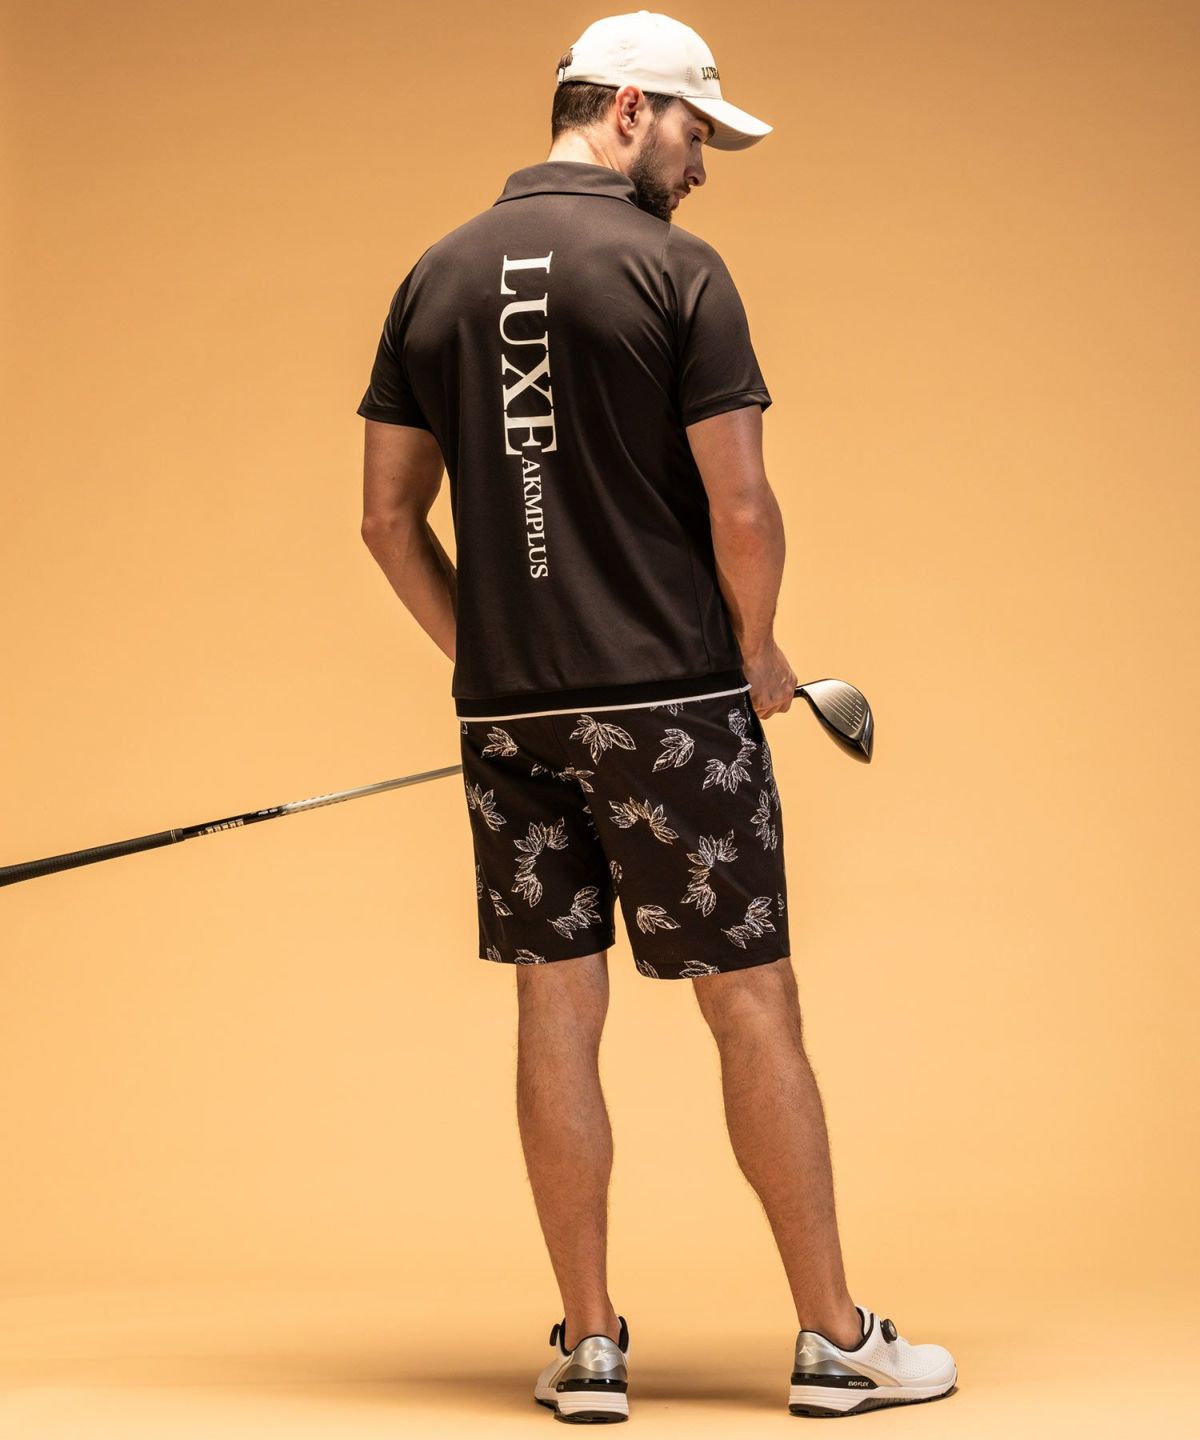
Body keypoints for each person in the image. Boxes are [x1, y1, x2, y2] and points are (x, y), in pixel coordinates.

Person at [356, 8, 957, 1423]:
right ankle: (836, 1343)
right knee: (753, 1006)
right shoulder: (676, 270)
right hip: (678, 705)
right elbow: (743, 507)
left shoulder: (434, 273)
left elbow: (386, 521)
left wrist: (493, 664)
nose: (701, 164)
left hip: (512, 720)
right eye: (696, 132)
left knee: (555, 1008)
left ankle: (590, 1348)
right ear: (627, 108)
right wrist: (757, 653)